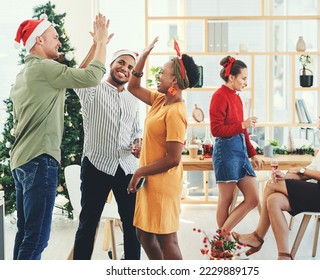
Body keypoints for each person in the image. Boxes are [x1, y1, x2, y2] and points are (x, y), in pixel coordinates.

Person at [9, 13, 110, 260]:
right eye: (54, 37)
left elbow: (73, 76)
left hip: (22, 161)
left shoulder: (28, 72)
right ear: (39, 41)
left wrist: (96, 45)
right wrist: (103, 44)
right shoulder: (46, 69)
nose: (59, 42)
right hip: (40, 159)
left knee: (25, 235)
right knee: (36, 239)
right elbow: (92, 78)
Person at [232, 102, 320, 260]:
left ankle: (257, 237)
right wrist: (285, 176)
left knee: (271, 184)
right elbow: (309, 173)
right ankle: (284, 255)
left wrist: (301, 170)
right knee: (274, 200)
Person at [127, 38, 200, 260]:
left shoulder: (176, 112)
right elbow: (133, 86)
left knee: (167, 239)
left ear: (174, 81)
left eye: (163, 72)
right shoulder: (161, 100)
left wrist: (139, 171)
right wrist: (143, 57)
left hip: (162, 182)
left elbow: (173, 159)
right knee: (144, 234)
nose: (158, 75)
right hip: (150, 180)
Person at [72, 45, 142, 260]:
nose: (125, 69)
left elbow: (136, 129)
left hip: (127, 168)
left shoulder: (133, 97)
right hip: (96, 165)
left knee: (133, 227)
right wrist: (97, 44)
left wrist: (138, 143)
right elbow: (79, 74)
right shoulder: (92, 89)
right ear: (110, 64)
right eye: (121, 62)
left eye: (130, 66)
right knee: (88, 225)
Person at [209, 56, 263, 238]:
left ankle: (221, 237)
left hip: (239, 152)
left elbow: (243, 130)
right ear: (231, 77)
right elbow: (216, 130)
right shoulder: (218, 96)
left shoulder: (237, 98)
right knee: (226, 200)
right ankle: (223, 243)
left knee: (253, 198)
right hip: (225, 152)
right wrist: (242, 125)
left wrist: (252, 153)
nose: (246, 82)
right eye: (243, 78)